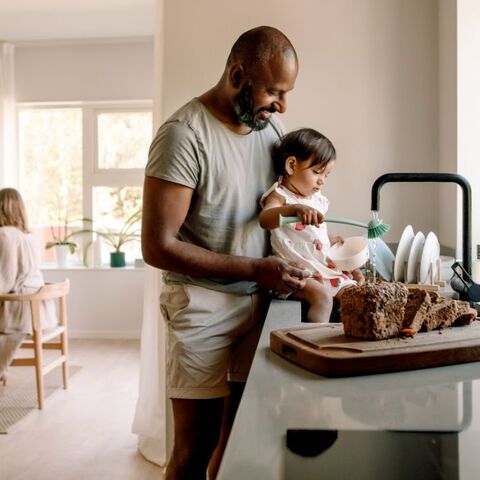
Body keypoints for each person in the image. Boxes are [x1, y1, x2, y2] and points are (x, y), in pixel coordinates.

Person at [142, 26, 309, 479]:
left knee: (240, 448)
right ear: (238, 76)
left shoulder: (270, 128)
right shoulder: (183, 135)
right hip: (203, 310)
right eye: (274, 91)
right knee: (193, 453)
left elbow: (279, 202)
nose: (282, 106)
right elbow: (158, 247)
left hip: (260, 302)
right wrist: (255, 267)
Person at [259, 128, 364, 323]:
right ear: (291, 165)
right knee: (322, 298)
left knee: (356, 293)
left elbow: (313, 234)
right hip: (296, 271)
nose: (322, 181)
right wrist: (293, 209)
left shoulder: (318, 200)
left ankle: (352, 333)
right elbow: (265, 219)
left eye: (326, 175)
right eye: (317, 172)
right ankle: (316, 342)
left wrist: (331, 241)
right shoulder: (281, 196)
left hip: (321, 267)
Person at [0, 188, 56, 383]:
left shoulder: (5, 235)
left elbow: (5, 281)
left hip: (21, 307)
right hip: (38, 307)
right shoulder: (27, 236)